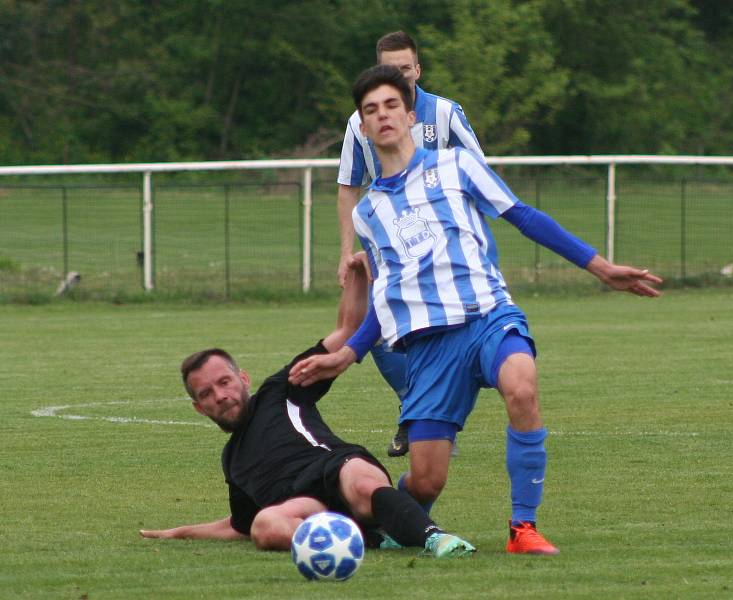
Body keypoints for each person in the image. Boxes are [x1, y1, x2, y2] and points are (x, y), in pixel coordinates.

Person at [289, 65, 663, 555]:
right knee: (425, 483)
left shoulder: (457, 166)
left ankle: (522, 528)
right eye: (370, 110)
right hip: (428, 348)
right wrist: (351, 352)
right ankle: (386, 520)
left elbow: (523, 215)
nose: (382, 116)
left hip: (488, 315)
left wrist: (600, 267)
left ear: (409, 114)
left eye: (390, 106)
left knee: (522, 386)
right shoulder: (369, 212)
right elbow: (387, 296)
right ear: (361, 126)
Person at [139, 255, 475, 559]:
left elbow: (345, 332)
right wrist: (181, 532)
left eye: (224, 382)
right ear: (200, 408)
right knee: (265, 526)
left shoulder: (281, 389)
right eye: (207, 394)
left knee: (359, 482)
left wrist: (357, 278)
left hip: (336, 468)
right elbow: (240, 526)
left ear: (243, 378)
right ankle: (370, 539)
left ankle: (436, 537)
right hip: (308, 507)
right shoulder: (233, 462)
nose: (220, 396)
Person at [338, 30, 484, 457]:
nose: (398, 77)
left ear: (418, 69)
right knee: (380, 328)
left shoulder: (445, 114)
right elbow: (348, 187)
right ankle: (418, 411)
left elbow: (477, 175)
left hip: (443, 252)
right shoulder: (360, 122)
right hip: (387, 246)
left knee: (442, 332)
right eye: (389, 70)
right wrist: (347, 251)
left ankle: (431, 417)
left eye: (405, 69)